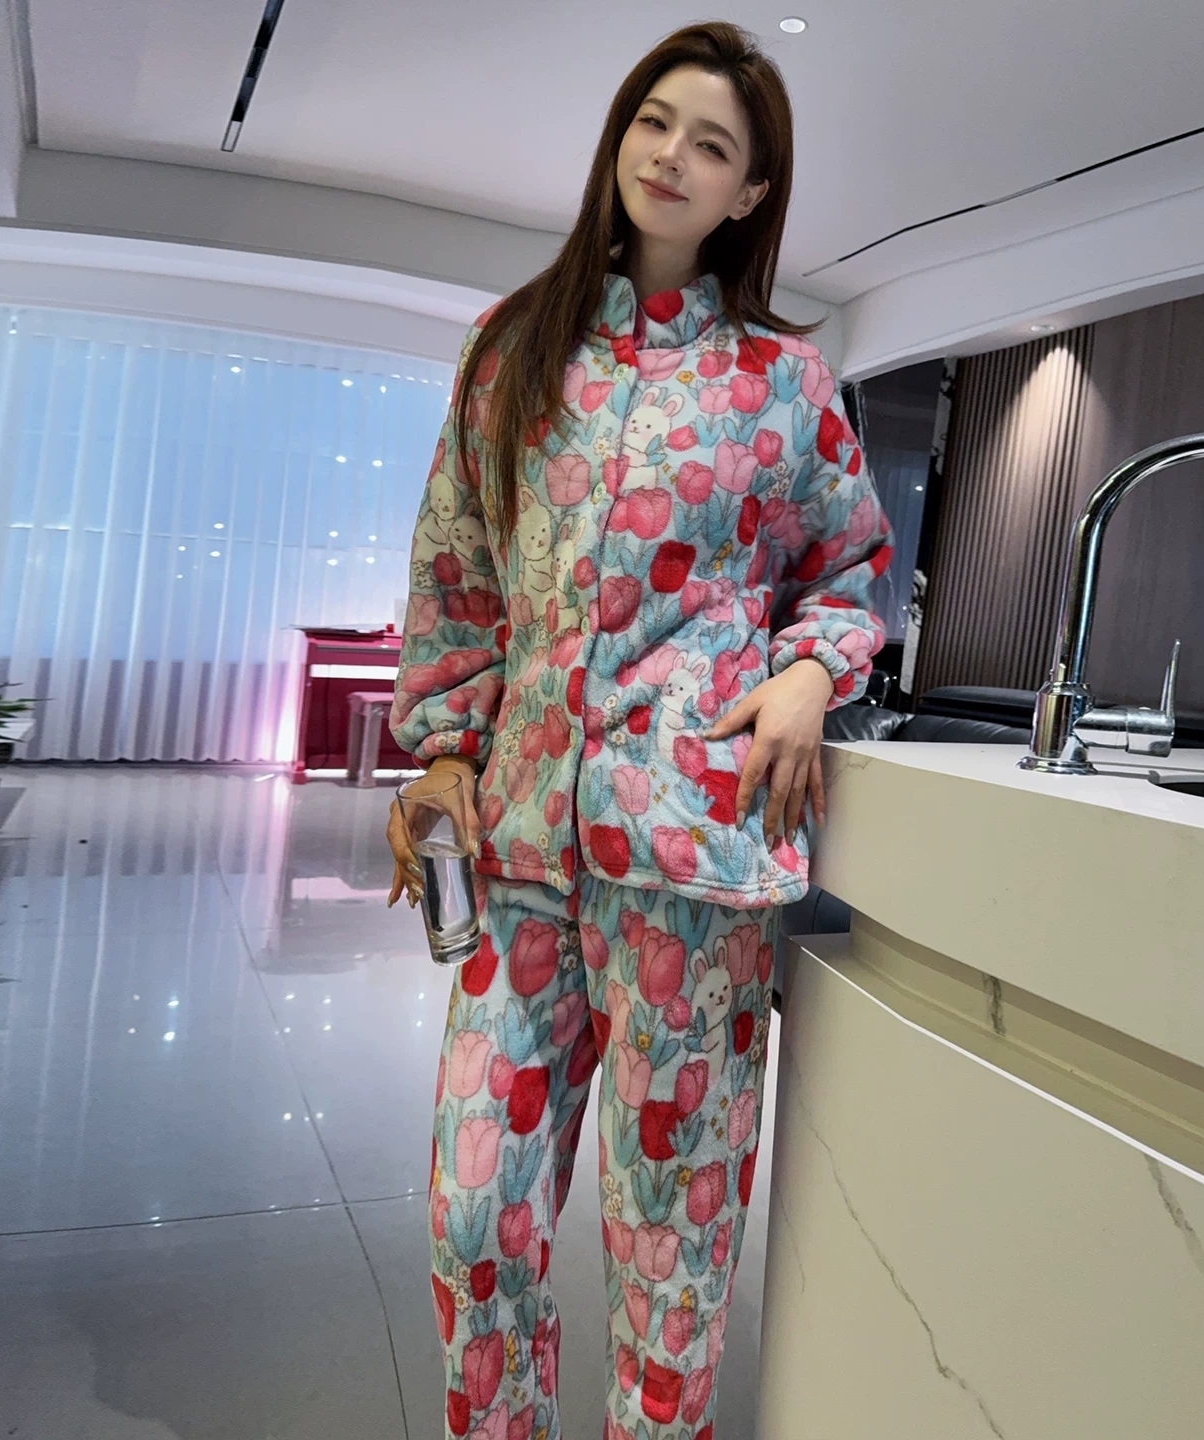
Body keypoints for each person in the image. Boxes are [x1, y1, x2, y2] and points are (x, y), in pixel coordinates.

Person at [385, 21, 891, 1440]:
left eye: (712, 143)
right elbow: (458, 572)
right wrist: (443, 749)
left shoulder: (783, 382)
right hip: (519, 854)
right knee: (474, 1215)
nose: (672, 155)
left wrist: (813, 670)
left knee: (673, 1246)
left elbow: (850, 568)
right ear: (620, 138)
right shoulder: (513, 347)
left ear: (749, 191)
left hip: (690, 861)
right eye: (654, 122)